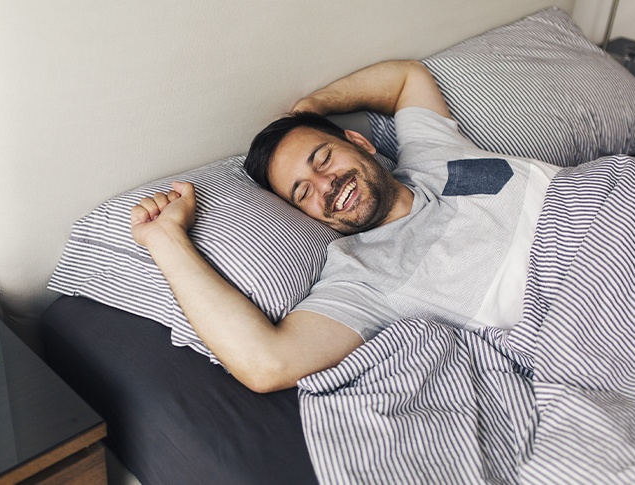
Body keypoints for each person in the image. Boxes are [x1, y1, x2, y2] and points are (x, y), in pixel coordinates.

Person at [130, 60, 560, 393]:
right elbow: (267, 363)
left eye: (324, 158)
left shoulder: (433, 152)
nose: (326, 184)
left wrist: (312, 108)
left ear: (360, 142)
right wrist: (165, 239)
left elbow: (408, 77)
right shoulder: (363, 277)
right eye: (303, 193)